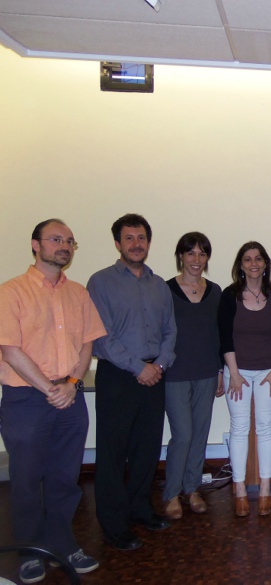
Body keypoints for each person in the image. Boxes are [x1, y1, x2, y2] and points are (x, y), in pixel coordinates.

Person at [0, 219, 105, 584]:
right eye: (56, 239)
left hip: (71, 396)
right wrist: (50, 388)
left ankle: (62, 544)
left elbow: (87, 342)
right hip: (26, 399)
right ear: (35, 244)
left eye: (69, 241)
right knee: (27, 480)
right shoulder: (11, 292)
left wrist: (72, 383)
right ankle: (30, 551)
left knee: (65, 477)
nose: (64, 246)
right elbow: (10, 350)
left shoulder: (78, 293)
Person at [87, 213, 177, 551]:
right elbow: (101, 337)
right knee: (113, 452)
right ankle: (113, 524)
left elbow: (170, 331)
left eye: (141, 238)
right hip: (119, 376)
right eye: (129, 238)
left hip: (156, 375)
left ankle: (140, 509)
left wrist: (160, 364)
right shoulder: (101, 282)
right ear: (117, 243)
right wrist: (139, 368)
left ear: (148, 242)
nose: (136, 244)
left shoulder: (159, 285)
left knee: (147, 449)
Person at [218, 241, 271, 517]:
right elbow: (224, 336)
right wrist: (232, 373)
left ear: (265, 263)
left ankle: (266, 489)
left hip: (269, 372)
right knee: (240, 428)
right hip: (238, 372)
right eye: (247, 259)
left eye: (258, 259)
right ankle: (241, 490)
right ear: (240, 265)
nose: (253, 264)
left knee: (266, 428)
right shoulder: (229, 295)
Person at [163, 232, 223, 520]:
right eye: (191, 253)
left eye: (202, 253)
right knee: (183, 435)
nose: (196, 259)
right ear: (181, 256)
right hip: (175, 373)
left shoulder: (215, 291)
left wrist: (221, 370)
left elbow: (219, 334)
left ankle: (192, 488)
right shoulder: (165, 290)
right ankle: (171, 493)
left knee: (199, 434)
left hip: (207, 372)